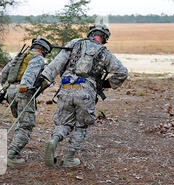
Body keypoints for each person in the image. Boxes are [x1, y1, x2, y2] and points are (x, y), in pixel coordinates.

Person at [38, 24, 129, 168]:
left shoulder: (75, 43)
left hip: (66, 87)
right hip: (85, 91)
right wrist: (106, 84)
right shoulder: (105, 53)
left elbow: (57, 63)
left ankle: (54, 140)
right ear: (104, 38)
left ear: (90, 34)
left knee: (64, 123)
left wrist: (43, 79)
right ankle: (69, 158)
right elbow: (122, 72)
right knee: (81, 125)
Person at [0, 37, 53, 165]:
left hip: (11, 91)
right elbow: (30, 74)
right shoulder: (38, 58)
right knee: (26, 125)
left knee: (21, 122)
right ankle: (12, 155)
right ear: (44, 50)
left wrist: (5, 90)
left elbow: (4, 73)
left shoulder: (21, 56)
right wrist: (25, 86)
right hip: (23, 92)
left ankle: (14, 151)